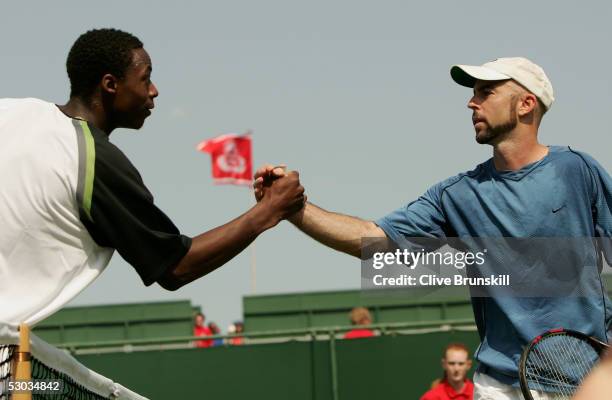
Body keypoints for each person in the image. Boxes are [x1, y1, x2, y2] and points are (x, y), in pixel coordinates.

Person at [255, 57, 612, 399]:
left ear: (525, 104)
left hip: (587, 378)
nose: (472, 103)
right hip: (498, 384)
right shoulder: (454, 194)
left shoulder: (577, 170)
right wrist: (292, 208)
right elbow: (373, 240)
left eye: (486, 92)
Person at [0, 28, 305, 330]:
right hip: (5, 354)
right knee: (32, 384)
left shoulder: (12, 111)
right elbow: (175, 267)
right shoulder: (97, 161)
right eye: (145, 78)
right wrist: (270, 210)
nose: (154, 90)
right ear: (110, 85)